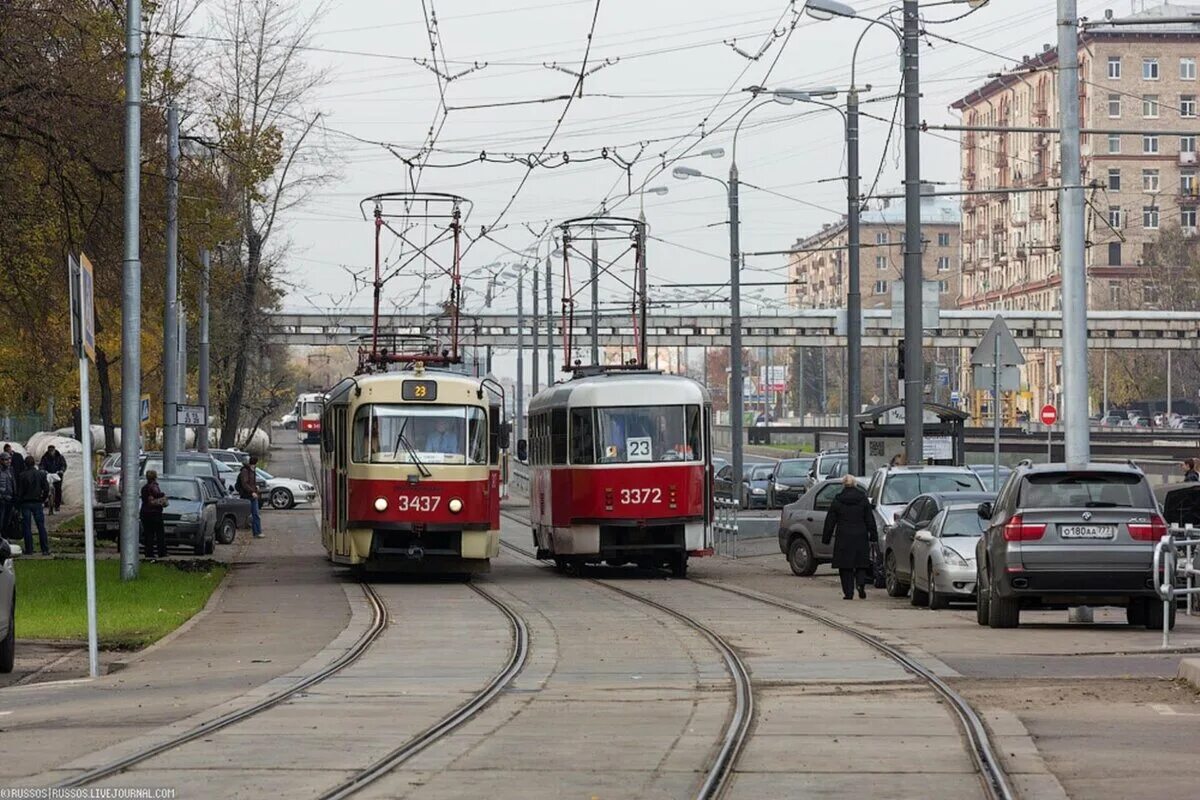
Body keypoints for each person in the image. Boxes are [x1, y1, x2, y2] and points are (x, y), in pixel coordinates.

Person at [822, 474, 878, 600]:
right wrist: (873, 535)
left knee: (845, 565)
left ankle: (848, 593)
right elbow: (869, 519)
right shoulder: (862, 499)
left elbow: (830, 520)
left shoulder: (838, 500)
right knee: (861, 563)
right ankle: (861, 584)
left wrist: (826, 538)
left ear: (843, 485)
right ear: (855, 484)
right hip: (860, 535)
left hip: (843, 536)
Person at [16, 455, 50, 556]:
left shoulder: (22, 475)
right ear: (34, 463)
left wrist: (18, 504)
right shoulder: (41, 474)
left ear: (25, 464)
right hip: (37, 502)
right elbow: (46, 489)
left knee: (27, 527)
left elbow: (19, 492)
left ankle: (29, 549)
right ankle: (45, 549)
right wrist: (43, 499)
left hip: (25, 503)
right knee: (41, 527)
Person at [140, 469, 168, 558]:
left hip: (145, 513)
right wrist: (162, 496)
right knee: (160, 533)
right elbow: (157, 494)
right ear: (155, 477)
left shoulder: (144, 488)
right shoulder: (154, 486)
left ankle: (149, 552)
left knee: (149, 534)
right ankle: (162, 552)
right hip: (155, 513)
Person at [238, 456, 263, 539]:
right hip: (247, 496)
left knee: (255, 514)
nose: (254, 466)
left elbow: (251, 483)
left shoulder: (252, 471)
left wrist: (255, 488)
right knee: (252, 514)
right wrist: (252, 491)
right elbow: (245, 484)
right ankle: (256, 531)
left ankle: (257, 532)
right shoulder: (245, 471)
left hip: (252, 495)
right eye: (254, 464)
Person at [39, 444, 67, 514]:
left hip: (57, 475)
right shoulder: (45, 457)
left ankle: (57, 505)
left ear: (54, 450)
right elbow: (41, 465)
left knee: (58, 489)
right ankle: (45, 501)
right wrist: (42, 470)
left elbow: (63, 465)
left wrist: (61, 470)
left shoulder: (59, 457)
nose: (51, 452)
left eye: (52, 451)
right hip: (48, 475)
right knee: (45, 488)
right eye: (50, 451)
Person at [0, 452, 15, 540]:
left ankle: (5, 536)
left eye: (9, 459)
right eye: (6, 460)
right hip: (2, 499)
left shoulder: (11, 470)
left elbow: (13, 483)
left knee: (8, 519)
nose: (8, 461)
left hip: (10, 498)